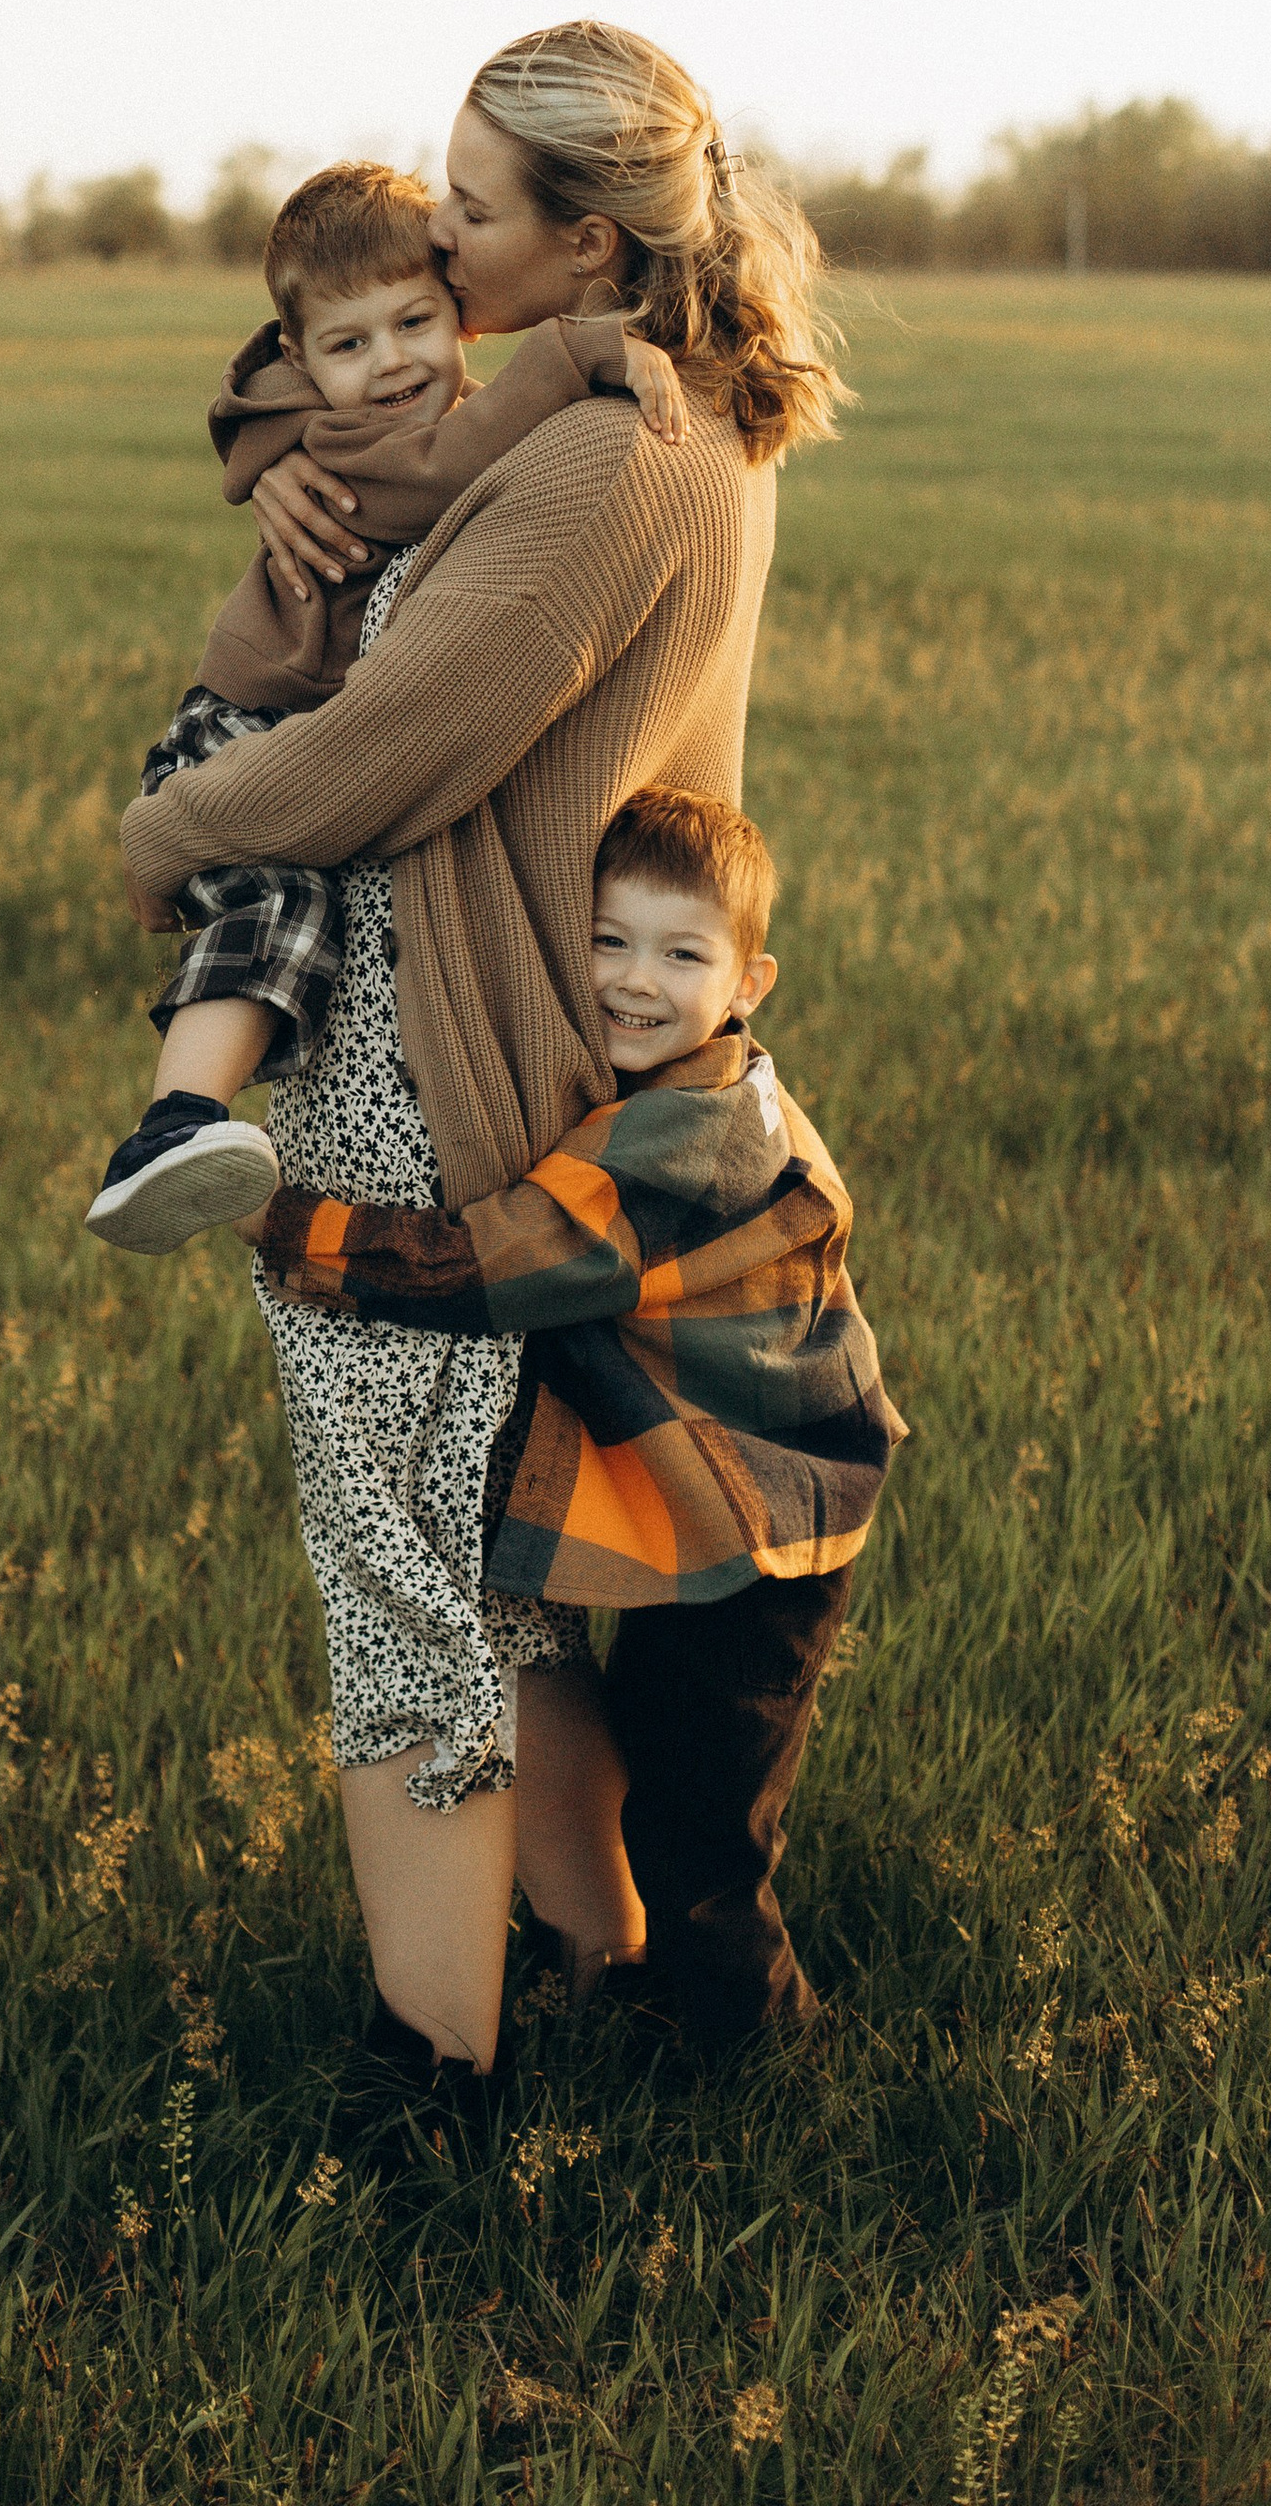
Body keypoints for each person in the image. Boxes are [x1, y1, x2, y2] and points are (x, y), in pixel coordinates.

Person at [121, 19, 850, 2100]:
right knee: (478, 1551)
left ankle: (423, 2071)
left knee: (398, 1578)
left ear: (593, 244)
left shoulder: (616, 461)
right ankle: (608, 1960)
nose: (437, 239)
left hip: (439, 1072)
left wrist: (162, 833)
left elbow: (390, 744)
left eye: (469, 209)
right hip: (466, 1033)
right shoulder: (599, 411)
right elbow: (301, 402)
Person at [248, 781, 903, 2057]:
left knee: (699, 1831)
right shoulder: (684, 1089)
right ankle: (630, 1982)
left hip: (768, 1542)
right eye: (606, 941)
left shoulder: (686, 1138)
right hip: (724, 1516)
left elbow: (492, 1265)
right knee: (659, 1770)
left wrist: (286, 1229)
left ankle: (757, 2058)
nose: (634, 980)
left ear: (748, 980)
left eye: (681, 952)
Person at [86, 157, 685, 1252]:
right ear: (303, 364)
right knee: (278, 909)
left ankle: (185, 1121)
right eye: (348, 346)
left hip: (319, 732)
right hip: (249, 722)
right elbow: (437, 466)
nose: (392, 360)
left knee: (309, 926)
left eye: (413, 322)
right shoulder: (373, 442)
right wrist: (582, 351)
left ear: (457, 313)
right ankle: (174, 1121)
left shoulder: (410, 413)